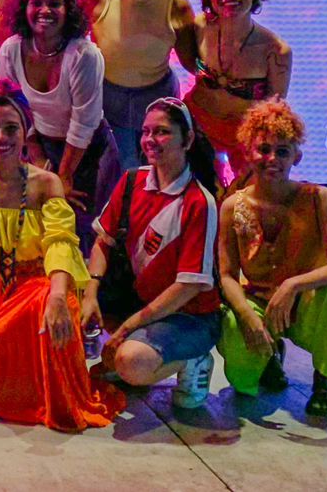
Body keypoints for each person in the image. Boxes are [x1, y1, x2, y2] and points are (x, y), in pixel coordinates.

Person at [0, 83, 124, 429]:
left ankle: (48, 396)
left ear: (26, 130)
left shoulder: (46, 183)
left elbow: (60, 243)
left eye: (11, 128)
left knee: (53, 303)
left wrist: (58, 294)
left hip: (36, 283)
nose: (1, 137)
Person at [217, 100, 327, 418]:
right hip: (259, 304)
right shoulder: (232, 206)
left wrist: (292, 285)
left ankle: (325, 380)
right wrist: (246, 315)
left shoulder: (320, 199)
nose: (272, 159)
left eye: (282, 151)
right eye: (263, 149)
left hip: (307, 303)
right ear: (248, 153)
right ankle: (268, 356)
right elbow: (226, 275)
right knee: (242, 377)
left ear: (297, 156)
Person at [81, 97, 222, 411]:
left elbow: (188, 287)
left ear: (187, 140)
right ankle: (137, 352)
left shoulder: (199, 202)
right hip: (141, 301)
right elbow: (103, 242)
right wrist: (90, 293)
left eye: (162, 132)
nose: (150, 140)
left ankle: (193, 360)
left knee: (131, 362)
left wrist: (129, 327)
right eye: (146, 132)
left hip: (190, 316)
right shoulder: (132, 181)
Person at [0, 0, 121, 251]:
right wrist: (39, 159)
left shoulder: (84, 55)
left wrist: (62, 177)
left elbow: (83, 123)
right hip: (41, 145)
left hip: (88, 150)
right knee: (43, 226)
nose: (45, 10)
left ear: (68, 11)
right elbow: (15, 110)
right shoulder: (10, 50)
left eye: (54, 4)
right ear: (25, 9)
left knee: (88, 230)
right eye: (37, 3)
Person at [81, 0, 197, 172]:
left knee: (159, 168)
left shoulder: (177, 6)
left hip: (158, 97)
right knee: (123, 170)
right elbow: (70, 41)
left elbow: (191, 62)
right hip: (108, 98)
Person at [184, 0, 293, 180]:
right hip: (197, 127)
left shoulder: (276, 50)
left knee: (248, 195)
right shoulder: (199, 26)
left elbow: (274, 110)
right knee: (200, 192)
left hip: (245, 136)